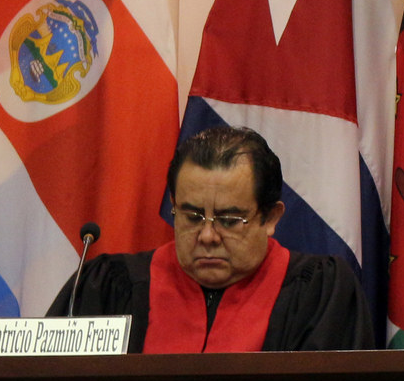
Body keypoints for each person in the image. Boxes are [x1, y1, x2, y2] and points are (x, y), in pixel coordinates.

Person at [48, 125, 375, 351]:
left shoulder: (319, 294)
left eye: (229, 221)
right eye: (192, 217)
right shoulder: (108, 288)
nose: (207, 236)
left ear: (270, 218)